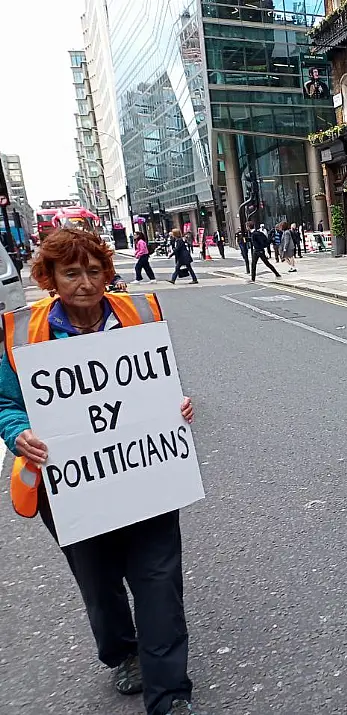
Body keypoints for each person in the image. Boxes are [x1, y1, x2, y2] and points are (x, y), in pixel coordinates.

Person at [0, 228, 206, 715]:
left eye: (94, 271)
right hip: (69, 486)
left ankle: (169, 694)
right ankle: (121, 652)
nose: (86, 283)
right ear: (48, 278)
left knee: (158, 582)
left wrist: (176, 406)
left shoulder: (138, 314)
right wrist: (18, 434)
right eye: (71, 273)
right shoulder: (23, 331)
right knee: (99, 580)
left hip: (145, 475)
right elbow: (8, 403)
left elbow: (156, 382)